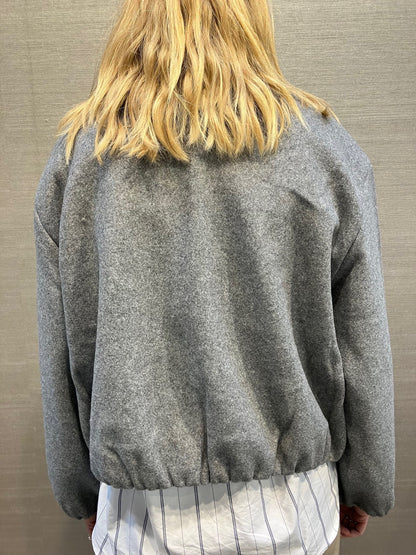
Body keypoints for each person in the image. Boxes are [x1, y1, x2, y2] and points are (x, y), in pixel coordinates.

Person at [33, 1, 395, 553]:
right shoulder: (322, 150)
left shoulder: (82, 161)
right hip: (291, 511)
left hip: (140, 517)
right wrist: (367, 482)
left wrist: (82, 493)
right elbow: (362, 342)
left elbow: (62, 349)